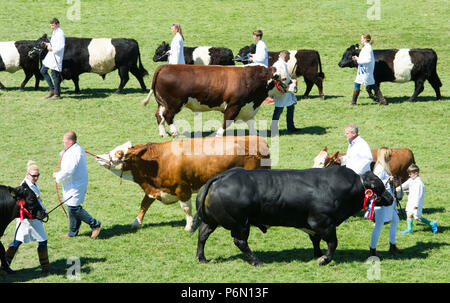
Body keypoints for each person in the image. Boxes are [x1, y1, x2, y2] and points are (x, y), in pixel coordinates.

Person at [53, 131, 102, 239]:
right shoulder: (73, 149)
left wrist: (57, 176)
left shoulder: (75, 151)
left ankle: (95, 224)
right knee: (71, 206)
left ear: (70, 141)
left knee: (74, 207)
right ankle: (72, 232)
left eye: (64, 140)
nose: (63, 141)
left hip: (76, 183)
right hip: (72, 183)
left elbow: (69, 170)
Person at [5, 161, 50, 272]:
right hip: (26, 220)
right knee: (17, 241)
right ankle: (5, 265)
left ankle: (46, 267)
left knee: (42, 240)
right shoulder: (23, 187)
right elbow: (20, 203)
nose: (35, 178)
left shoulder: (32, 184)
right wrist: (36, 198)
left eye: (37, 175)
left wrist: (42, 208)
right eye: (33, 176)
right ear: (27, 174)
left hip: (34, 218)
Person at [369, 148, 402, 257]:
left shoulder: (384, 167)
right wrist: (388, 180)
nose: (391, 157)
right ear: (384, 156)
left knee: (395, 220)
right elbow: (376, 184)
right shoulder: (379, 168)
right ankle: (373, 249)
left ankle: (392, 245)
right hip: (382, 201)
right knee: (378, 225)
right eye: (389, 155)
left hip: (388, 200)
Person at [397, 164, 438, 234]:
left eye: (410, 174)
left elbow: (419, 196)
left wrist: (416, 205)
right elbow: (403, 186)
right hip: (410, 201)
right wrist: (395, 190)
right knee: (408, 214)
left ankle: (432, 223)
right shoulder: (411, 180)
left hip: (416, 203)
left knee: (417, 218)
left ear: (416, 173)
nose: (409, 175)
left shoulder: (419, 184)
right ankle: (409, 229)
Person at [350, 33, 386, 106]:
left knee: (371, 84)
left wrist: (358, 60)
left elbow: (368, 60)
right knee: (358, 83)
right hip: (363, 70)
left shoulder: (368, 48)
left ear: (365, 39)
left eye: (362, 38)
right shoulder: (366, 47)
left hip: (366, 70)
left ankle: (382, 100)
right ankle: (353, 102)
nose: (361, 40)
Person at [271, 51, 300, 133]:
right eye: (288, 57)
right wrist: (293, 82)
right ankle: (274, 128)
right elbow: (284, 78)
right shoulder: (281, 65)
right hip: (282, 91)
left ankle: (290, 127)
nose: (289, 59)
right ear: (285, 57)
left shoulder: (279, 63)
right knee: (278, 110)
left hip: (284, 91)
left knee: (290, 108)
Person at [41, 18, 65, 100]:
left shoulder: (60, 33)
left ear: (57, 24)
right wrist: (48, 44)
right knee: (43, 70)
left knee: (55, 75)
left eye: (53, 25)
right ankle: (52, 89)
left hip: (56, 56)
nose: (51, 27)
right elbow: (54, 43)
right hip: (51, 56)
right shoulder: (55, 31)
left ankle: (57, 94)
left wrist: (52, 48)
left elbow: (61, 46)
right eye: (51, 25)